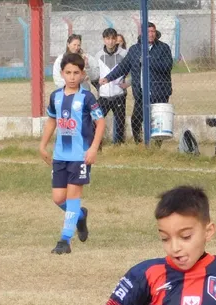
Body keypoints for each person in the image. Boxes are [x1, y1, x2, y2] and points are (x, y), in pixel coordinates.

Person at [39, 52, 105, 255]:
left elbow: (100, 122)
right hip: (60, 155)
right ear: (62, 74)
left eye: (76, 72)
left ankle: (65, 240)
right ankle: (79, 216)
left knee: (74, 196)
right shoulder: (56, 97)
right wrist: (43, 145)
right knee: (58, 198)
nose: (72, 77)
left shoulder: (87, 97)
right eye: (68, 72)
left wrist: (93, 148)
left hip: (80, 155)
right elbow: (52, 119)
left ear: (83, 74)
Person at [98, 22, 173, 143]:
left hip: (159, 92)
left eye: (153, 31)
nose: (151, 34)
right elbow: (123, 67)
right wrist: (108, 78)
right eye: (148, 32)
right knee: (136, 120)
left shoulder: (163, 48)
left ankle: (156, 147)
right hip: (141, 94)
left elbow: (167, 66)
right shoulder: (134, 49)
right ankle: (139, 144)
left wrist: (148, 61)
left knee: (157, 122)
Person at [92, 27, 128, 145]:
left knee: (119, 122)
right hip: (103, 96)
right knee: (96, 120)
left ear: (116, 39)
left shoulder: (124, 54)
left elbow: (134, 71)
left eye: (113, 39)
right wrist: (98, 86)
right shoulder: (98, 56)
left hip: (119, 94)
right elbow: (94, 74)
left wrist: (127, 83)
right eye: (108, 39)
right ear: (104, 40)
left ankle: (118, 146)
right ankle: (97, 143)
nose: (111, 41)